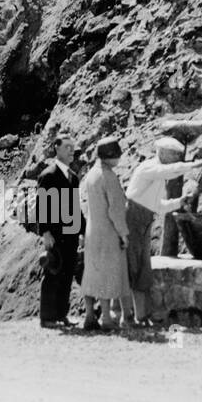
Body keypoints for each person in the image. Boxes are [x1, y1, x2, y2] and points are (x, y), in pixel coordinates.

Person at [123, 137, 202, 326]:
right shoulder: (150, 168)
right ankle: (125, 316)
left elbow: (158, 206)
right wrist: (195, 165)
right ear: (162, 153)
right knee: (130, 266)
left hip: (145, 219)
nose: (175, 159)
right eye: (173, 155)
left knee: (142, 267)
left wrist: (179, 202)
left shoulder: (158, 175)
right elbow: (170, 171)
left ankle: (141, 315)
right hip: (133, 218)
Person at [78, 136, 132, 330]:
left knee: (92, 274)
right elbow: (115, 210)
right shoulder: (108, 176)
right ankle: (107, 320)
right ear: (111, 156)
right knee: (108, 275)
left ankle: (90, 315)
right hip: (108, 232)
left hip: (93, 230)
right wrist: (123, 234)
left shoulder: (91, 174)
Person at [33, 135, 84, 328]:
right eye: (67, 147)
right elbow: (41, 205)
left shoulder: (73, 176)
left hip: (70, 234)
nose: (72, 151)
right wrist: (45, 232)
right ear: (57, 148)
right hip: (55, 234)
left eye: (73, 147)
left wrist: (82, 231)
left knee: (67, 274)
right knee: (53, 273)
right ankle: (47, 317)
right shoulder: (48, 175)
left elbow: (75, 207)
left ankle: (62, 314)